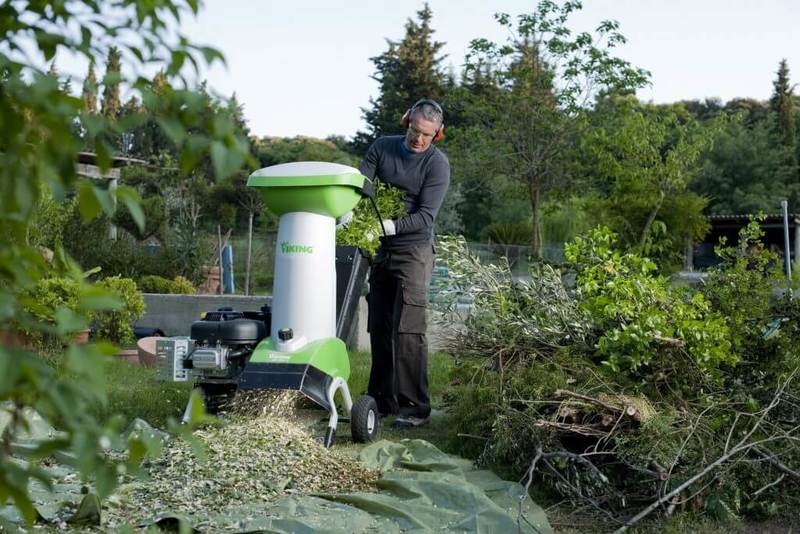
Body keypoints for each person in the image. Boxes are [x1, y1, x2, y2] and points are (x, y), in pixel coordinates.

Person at [358, 98, 451, 428]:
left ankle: (415, 408)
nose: (419, 140)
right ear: (406, 122)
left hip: (414, 251)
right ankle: (382, 400)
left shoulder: (436, 165)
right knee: (380, 325)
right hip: (379, 248)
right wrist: (348, 214)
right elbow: (360, 188)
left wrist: (391, 226)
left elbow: (426, 216)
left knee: (408, 328)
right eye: (415, 131)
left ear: (437, 134)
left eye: (427, 135)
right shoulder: (382, 148)